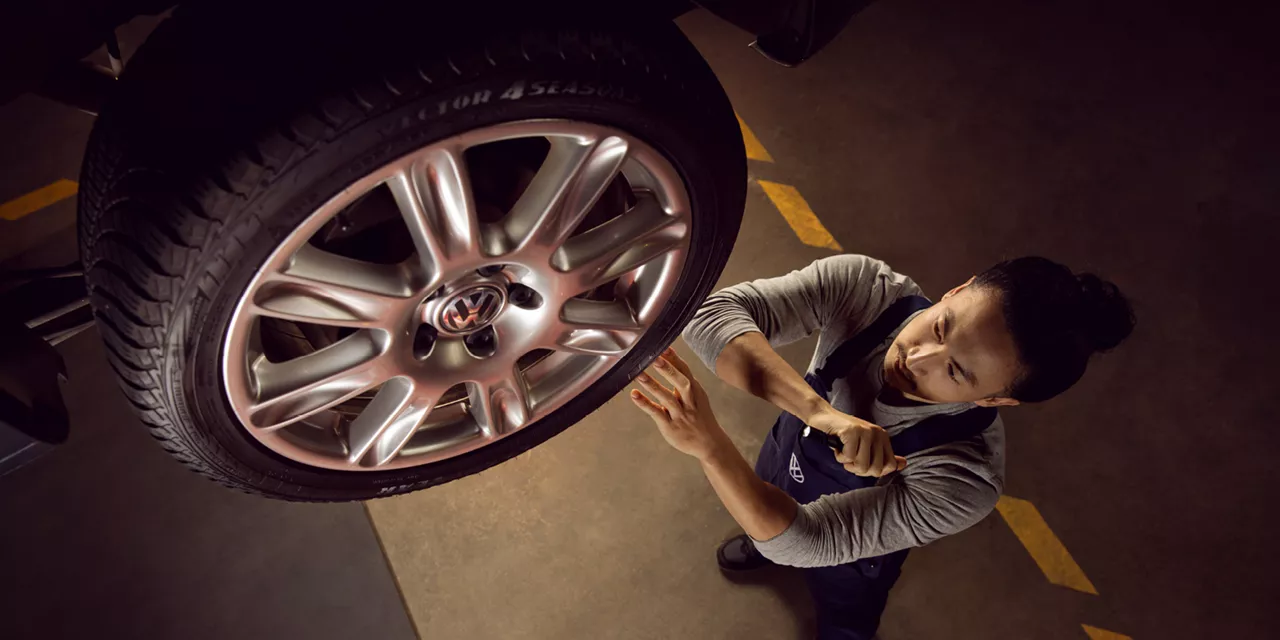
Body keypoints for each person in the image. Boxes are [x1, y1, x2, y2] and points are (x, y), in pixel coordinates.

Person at [628, 255, 1134, 640]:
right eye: (942, 325)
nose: (918, 358)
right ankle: (762, 545)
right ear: (958, 289)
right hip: (785, 459)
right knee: (763, 510)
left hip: (847, 562)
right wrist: (819, 413)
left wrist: (711, 447)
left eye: (956, 371)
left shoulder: (965, 477)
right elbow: (709, 313)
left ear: (996, 398)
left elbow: (807, 542)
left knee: (844, 610)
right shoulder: (866, 289)